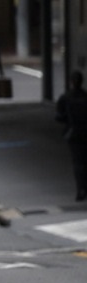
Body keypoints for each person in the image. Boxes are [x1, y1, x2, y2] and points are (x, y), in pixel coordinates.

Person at [56, 70, 87, 200]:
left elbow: (59, 117)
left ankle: (81, 189)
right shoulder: (86, 96)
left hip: (74, 132)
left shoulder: (65, 97)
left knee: (78, 162)